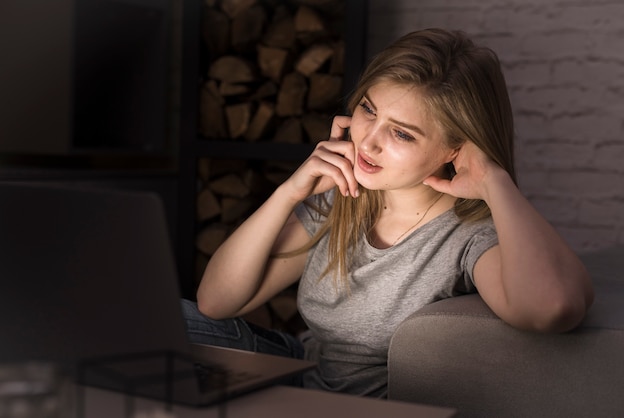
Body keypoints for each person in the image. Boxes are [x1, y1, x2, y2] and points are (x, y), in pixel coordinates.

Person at [181, 28, 594, 398]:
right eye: (368, 110)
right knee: (167, 319)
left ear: (456, 149)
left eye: (401, 133)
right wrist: (290, 191)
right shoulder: (344, 197)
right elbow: (216, 302)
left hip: (363, 406)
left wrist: (494, 180)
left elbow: (552, 308)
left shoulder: (469, 234)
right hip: (302, 372)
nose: (368, 142)